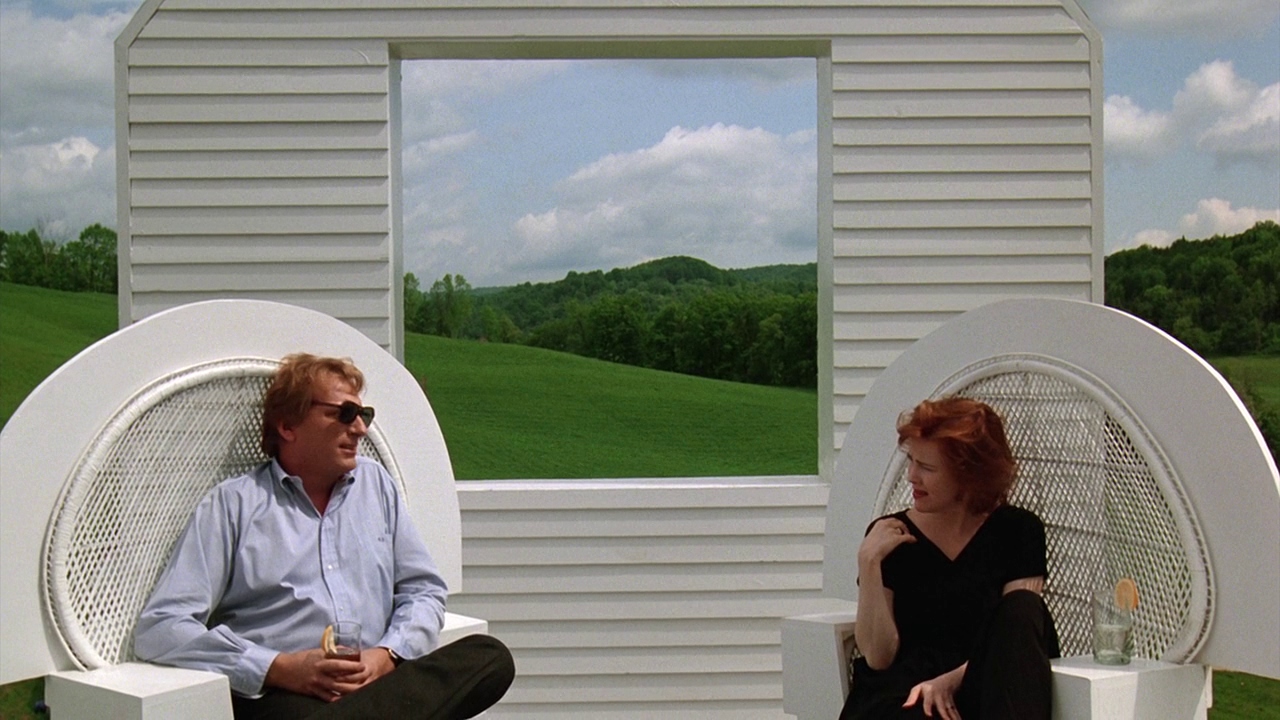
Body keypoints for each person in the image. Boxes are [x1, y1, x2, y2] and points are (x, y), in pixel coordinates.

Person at [135, 353, 515, 720]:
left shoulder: (376, 485)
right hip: (283, 695)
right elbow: (162, 626)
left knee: (489, 657)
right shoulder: (234, 504)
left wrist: (386, 655)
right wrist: (279, 667)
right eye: (344, 413)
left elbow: (424, 590)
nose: (360, 428)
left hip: (377, 681)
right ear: (288, 426)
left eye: (364, 415)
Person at [839, 397, 1059, 720]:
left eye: (927, 468)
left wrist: (951, 681)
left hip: (982, 688)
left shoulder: (1018, 531)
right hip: (905, 696)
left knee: (1024, 606)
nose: (911, 476)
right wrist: (869, 562)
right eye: (911, 461)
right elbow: (878, 657)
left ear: (969, 474)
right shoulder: (891, 535)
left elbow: (1019, 635)